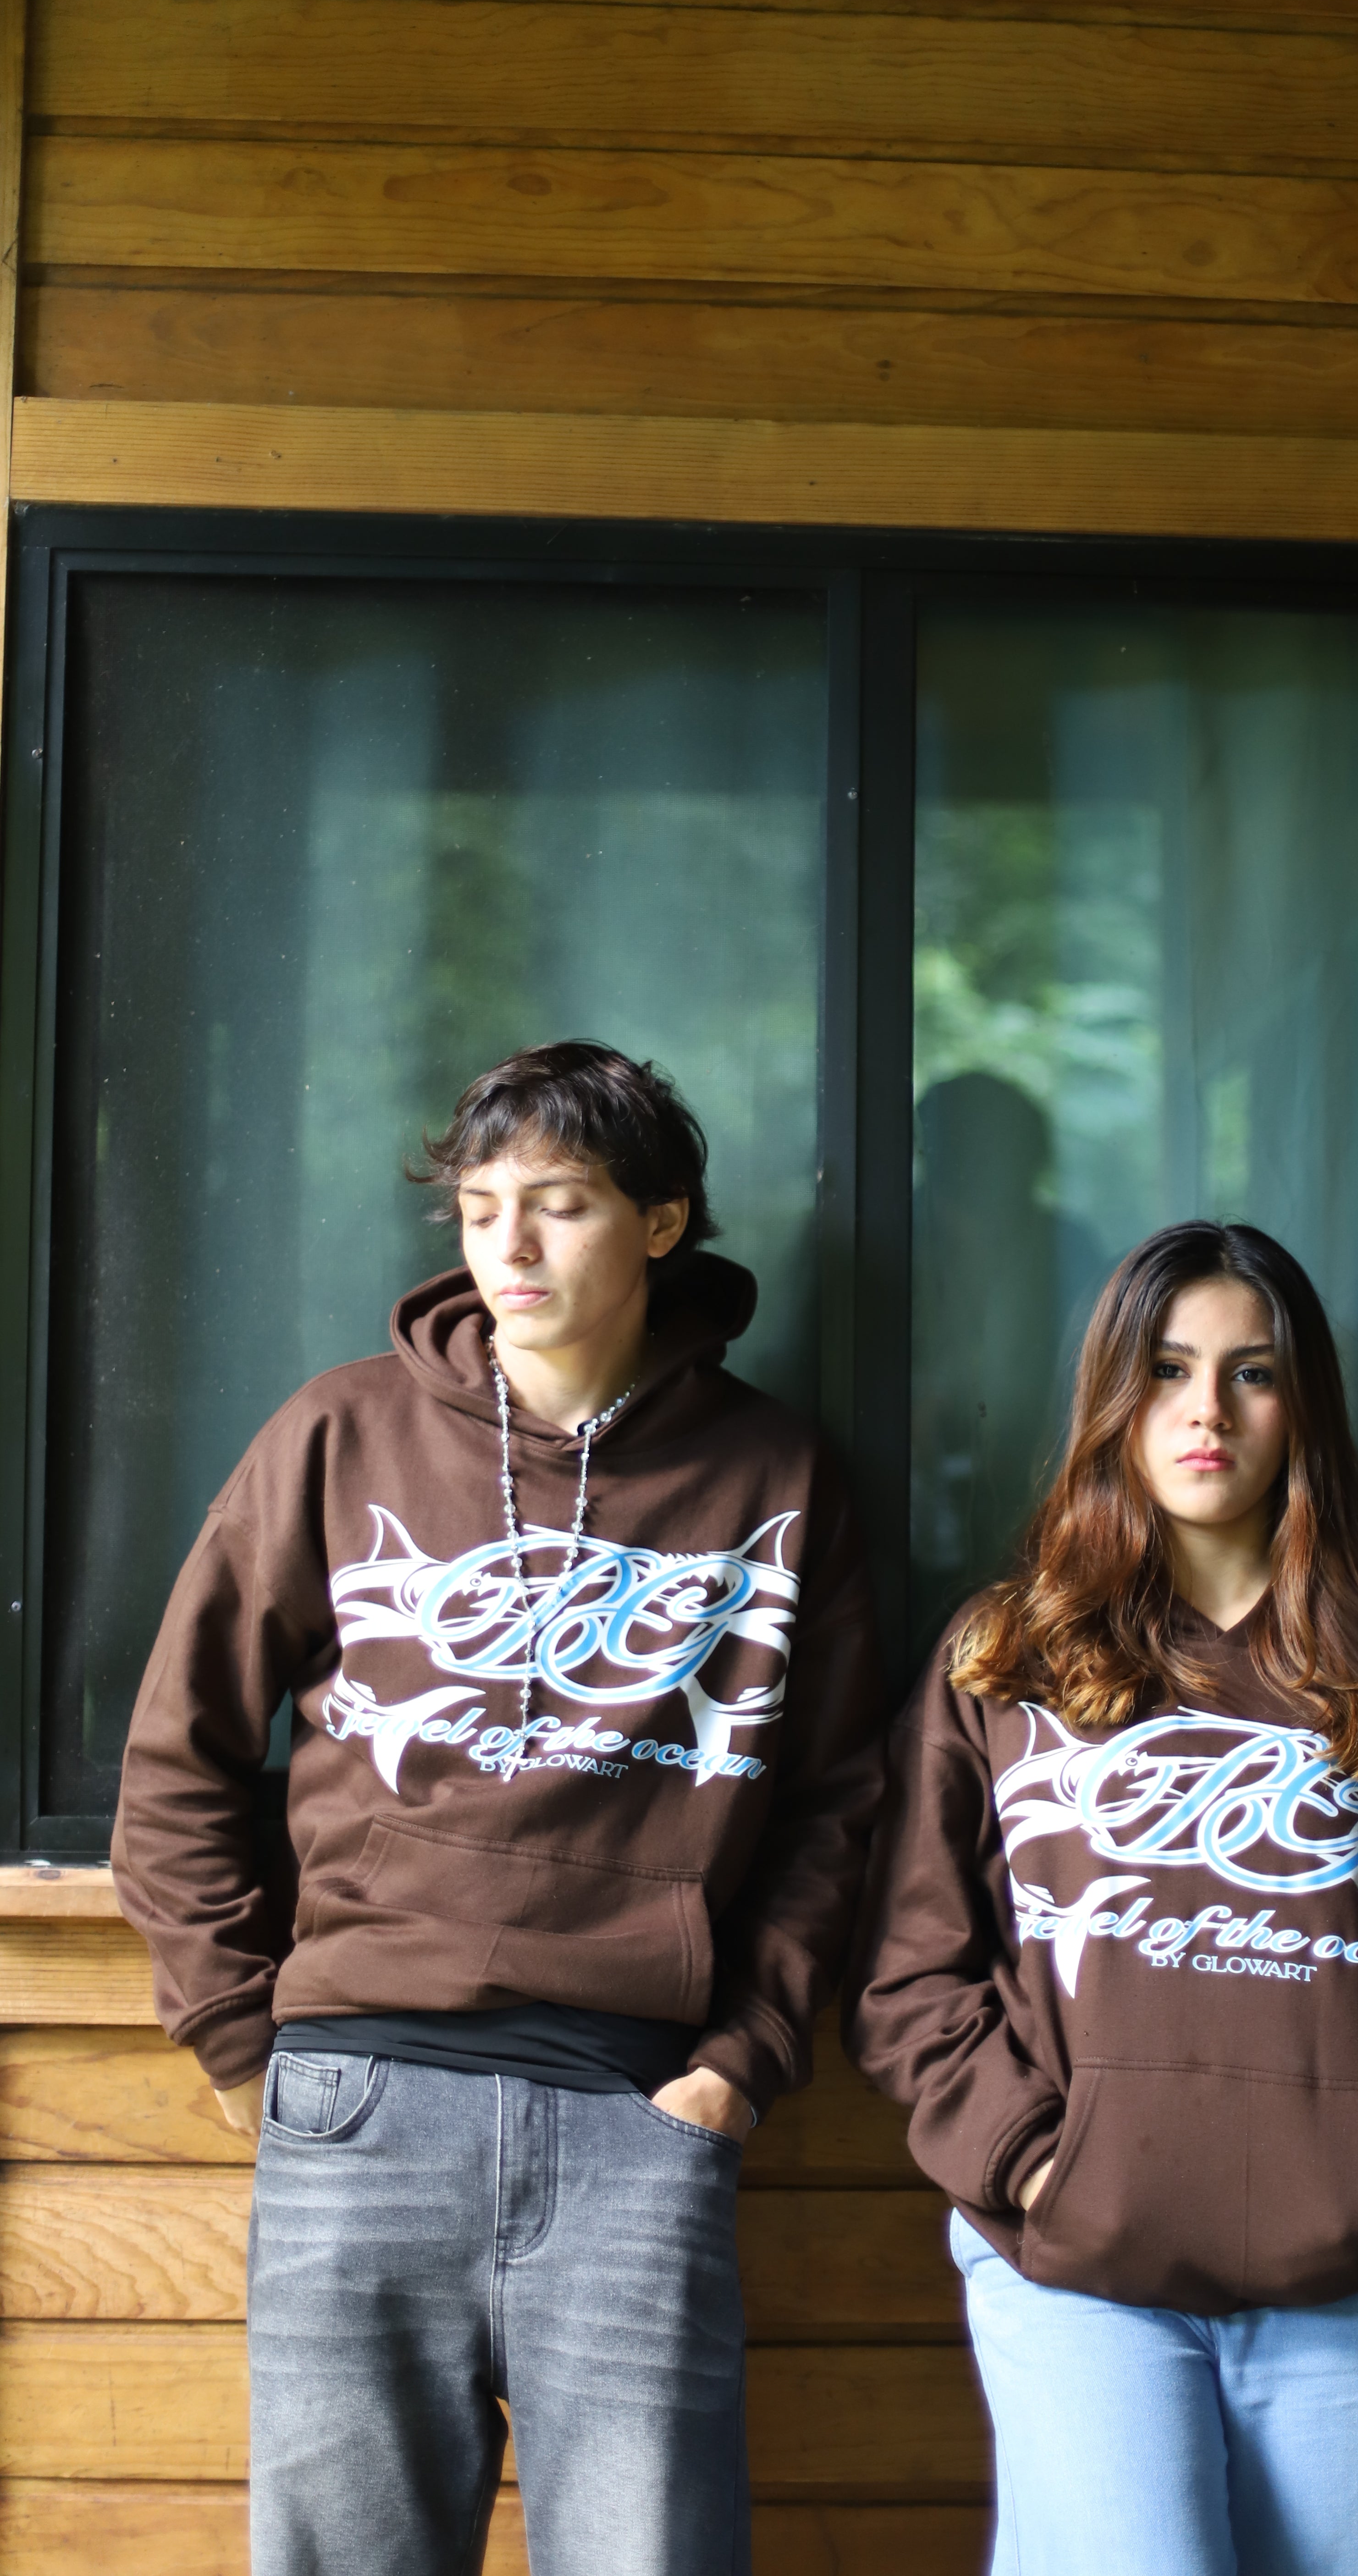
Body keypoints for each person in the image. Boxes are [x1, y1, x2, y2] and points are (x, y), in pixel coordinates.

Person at [112, 1039, 885, 2576]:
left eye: (561, 1205)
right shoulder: (336, 1436)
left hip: (638, 2113)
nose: (511, 1247)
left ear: (661, 1223)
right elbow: (178, 1757)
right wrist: (237, 2035)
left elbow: (840, 1809)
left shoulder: (778, 1474)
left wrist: (740, 2063)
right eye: (480, 1210)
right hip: (359, 2103)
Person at [844, 1221, 1358, 2576]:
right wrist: (1037, 2165)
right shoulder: (1006, 1662)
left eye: (1252, 1373)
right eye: (1168, 1371)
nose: (1207, 1413)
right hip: (1078, 2273)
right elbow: (908, 1975)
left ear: (1305, 1407)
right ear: (1115, 1399)